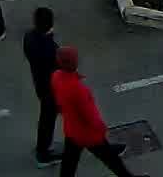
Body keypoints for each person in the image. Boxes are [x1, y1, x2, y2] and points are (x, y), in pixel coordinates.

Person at [51, 47, 148, 177]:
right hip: (89, 134)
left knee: (69, 162)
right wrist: (101, 128)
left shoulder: (56, 77)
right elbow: (90, 116)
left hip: (72, 130)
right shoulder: (79, 90)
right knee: (111, 159)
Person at [23, 8, 61, 165]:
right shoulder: (50, 49)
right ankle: (43, 153)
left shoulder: (29, 37)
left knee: (47, 118)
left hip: (41, 86)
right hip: (53, 90)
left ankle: (43, 150)